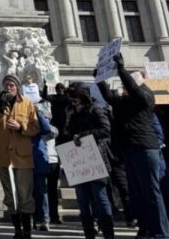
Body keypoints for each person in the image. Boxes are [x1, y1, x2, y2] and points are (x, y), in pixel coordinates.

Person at [96, 54, 169, 238]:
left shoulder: (145, 97)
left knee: (151, 192)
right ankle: (146, 228)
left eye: (125, 86)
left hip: (144, 148)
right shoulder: (124, 102)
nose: (122, 89)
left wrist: (121, 70)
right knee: (137, 193)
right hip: (129, 149)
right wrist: (100, 78)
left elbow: (134, 90)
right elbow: (109, 97)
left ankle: (161, 233)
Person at [0, 75, 40, 239]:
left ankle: (27, 231)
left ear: (17, 87)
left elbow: (35, 127)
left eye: (11, 85)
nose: (8, 87)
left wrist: (20, 126)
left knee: (24, 194)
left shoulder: (27, 103)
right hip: (3, 157)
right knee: (10, 196)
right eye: (6, 85)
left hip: (22, 157)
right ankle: (17, 230)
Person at [63, 83, 114, 239]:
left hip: (95, 159)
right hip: (79, 162)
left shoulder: (95, 110)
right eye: (71, 97)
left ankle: (108, 234)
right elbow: (69, 133)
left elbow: (105, 129)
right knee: (83, 201)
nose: (73, 100)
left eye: (75, 96)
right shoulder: (73, 113)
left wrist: (84, 135)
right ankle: (89, 234)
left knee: (100, 198)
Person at [42, 83, 67, 225]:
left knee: (51, 188)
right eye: (59, 89)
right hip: (44, 157)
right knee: (43, 189)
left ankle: (53, 215)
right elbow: (45, 96)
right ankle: (44, 216)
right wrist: (45, 86)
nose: (61, 91)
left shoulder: (64, 102)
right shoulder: (53, 100)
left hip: (54, 157)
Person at [32, 100, 56, 232]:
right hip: (24, 159)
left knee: (41, 191)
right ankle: (35, 218)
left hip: (39, 158)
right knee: (29, 192)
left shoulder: (39, 119)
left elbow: (47, 129)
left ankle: (44, 219)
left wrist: (38, 112)